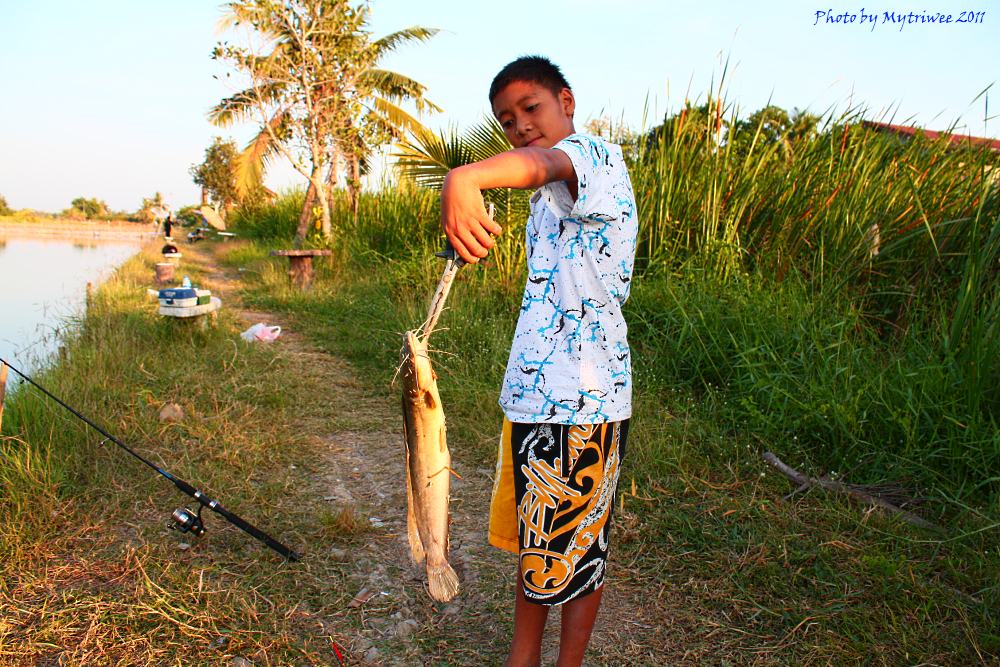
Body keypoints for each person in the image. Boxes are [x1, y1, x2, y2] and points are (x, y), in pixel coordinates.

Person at [440, 56, 638, 667]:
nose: (521, 126)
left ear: (567, 101)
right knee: (539, 548)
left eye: (533, 108)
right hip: (533, 396)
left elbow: (547, 163)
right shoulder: (541, 203)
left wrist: (463, 178)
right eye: (506, 119)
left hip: (582, 400)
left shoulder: (595, 159)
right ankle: (521, 658)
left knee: (578, 552)